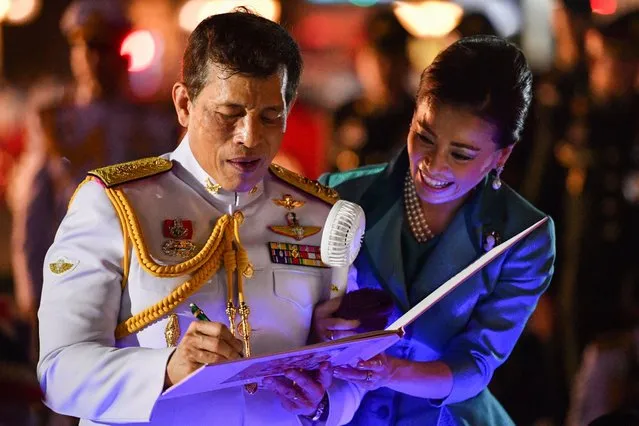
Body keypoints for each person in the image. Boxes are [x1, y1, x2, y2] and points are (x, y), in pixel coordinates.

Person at [37, 10, 363, 426]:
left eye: (270, 115)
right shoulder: (115, 205)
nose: (249, 137)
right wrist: (166, 369)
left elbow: (347, 366)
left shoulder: (318, 216)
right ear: (184, 104)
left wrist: (323, 404)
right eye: (228, 113)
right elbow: (59, 371)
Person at [315, 35, 556, 425]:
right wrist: (314, 325)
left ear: (502, 156)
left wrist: (389, 370)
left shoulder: (525, 237)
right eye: (423, 136)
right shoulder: (339, 196)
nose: (433, 164)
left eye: (461, 153)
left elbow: (476, 365)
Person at [10, 0, 179, 329]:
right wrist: (31, 296)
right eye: (84, 47)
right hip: (73, 279)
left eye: (103, 47)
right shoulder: (55, 122)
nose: (93, 60)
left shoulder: (157, 124)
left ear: (121, 52)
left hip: (141, 284)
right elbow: (35, 216)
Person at [330, 9, 415, 172]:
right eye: (377, 58)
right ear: (360, 59)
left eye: (392, 59)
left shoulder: (419, 117)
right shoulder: (346, 113)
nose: (384, 69)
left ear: (405, 62)